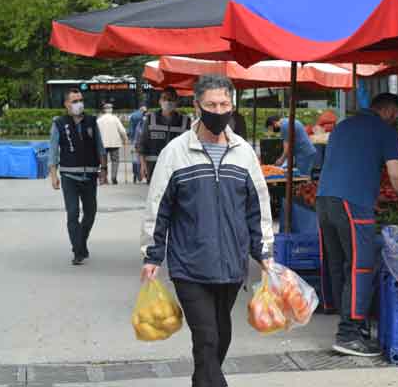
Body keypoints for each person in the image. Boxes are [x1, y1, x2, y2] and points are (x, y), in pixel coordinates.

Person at [140, 74, 274, 387]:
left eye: (224, 103)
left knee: (220, 336)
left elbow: (258, 208)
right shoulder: (176, 152)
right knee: (207, 337)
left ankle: (202, 381)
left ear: (232, 104)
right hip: (189, 264)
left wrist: (264, 251)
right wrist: (152, 255)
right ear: (198, 105)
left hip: (230, 265)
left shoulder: (243, 153)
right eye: (212, 104)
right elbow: (158, 207)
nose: (218, 109)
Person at [315, 93, 398, 357]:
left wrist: (371, 195)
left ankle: (350, 325)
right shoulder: (384, 131)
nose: (396, 121)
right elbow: (396, 173)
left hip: (325, 200)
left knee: (340, 265)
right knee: (361, 266)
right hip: (352, 205)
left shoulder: (343, 126)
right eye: (396, 116)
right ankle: (349, 334)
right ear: (390, 111)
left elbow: (344, 166)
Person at [48, 88, 107, 266]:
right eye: (74, 101)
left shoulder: (91, 121)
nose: (78, 104)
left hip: (90, 175)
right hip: (68, 175)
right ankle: (78, 250)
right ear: (66, 104)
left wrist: (103, 169)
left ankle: (81, 241)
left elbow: (100, 146)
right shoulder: (59, 123)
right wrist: (53, 175)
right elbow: (53, 150)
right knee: (72, 213)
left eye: (80, 100)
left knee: (90, 212)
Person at [138, 87, 190, 183]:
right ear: (159, 101)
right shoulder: (150, 119)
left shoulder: (185, 121)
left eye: (171, 99)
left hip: (177, 169)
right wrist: (143, 165)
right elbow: (142, 144)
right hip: (154, 168)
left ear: (176, 101)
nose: (167, 102)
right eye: (164, 98)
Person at [97, 103, 128, 184]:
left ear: (104, 110)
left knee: (103, 161)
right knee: (115, 161)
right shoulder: (115, 119)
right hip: (114, 143)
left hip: (103, 143)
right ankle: (113, 177)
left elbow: (96, 132)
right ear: (111, 109)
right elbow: (122, 131)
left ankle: (104, 178)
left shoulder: (99, 120)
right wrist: (125, 139)